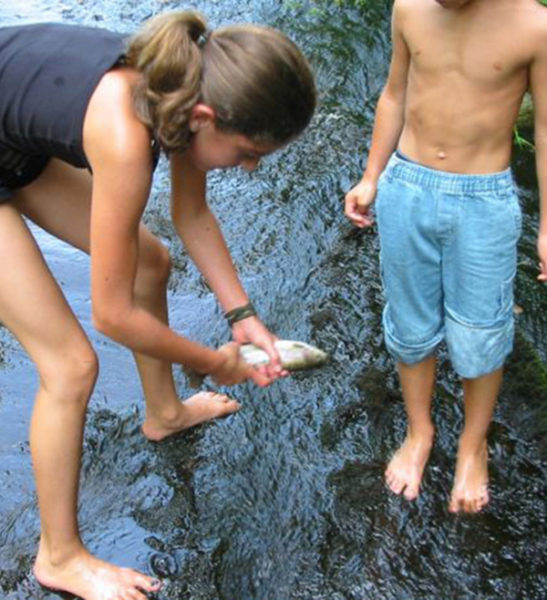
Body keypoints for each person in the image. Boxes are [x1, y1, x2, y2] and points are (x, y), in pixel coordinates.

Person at [0, 11, 316, 599]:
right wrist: (215, 361)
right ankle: (59, 557)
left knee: (151, 262)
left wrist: (243, 318)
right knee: (70, 365)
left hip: (10, 144)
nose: (249, 168)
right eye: (248, 152)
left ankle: (164, 412)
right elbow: (111, 314)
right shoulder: (124, 134)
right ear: (206, 118)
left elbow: (191, 215)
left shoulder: (182, 87)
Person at [345, 0, 547, 514]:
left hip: (484, 200)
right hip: (408, 185)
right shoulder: (409, 9)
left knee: (482, 330)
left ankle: (472, 443)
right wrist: (372, 175)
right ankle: (420, 430)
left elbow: (545, 130)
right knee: (410, 325)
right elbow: (394, 94)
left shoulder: (533, 26)